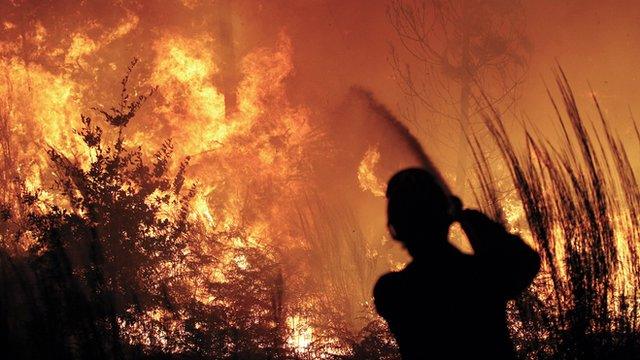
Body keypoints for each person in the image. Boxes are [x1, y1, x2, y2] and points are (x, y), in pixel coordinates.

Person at [374, 168, 540, 359]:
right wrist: (468, 217)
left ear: (396, 230)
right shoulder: (482, 275)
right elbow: (526, 260)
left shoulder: (393, 290)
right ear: (444, 215)